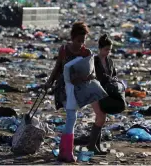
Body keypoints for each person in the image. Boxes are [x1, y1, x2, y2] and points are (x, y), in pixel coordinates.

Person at [44, 22, 105, 163]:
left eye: (83, 41)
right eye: (78, 40)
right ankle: (66, 152)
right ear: (72, 38)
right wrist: (49, 82)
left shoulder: (87, 53)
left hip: (77, 90)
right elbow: (57, 67)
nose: (81, 44)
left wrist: (85, 77)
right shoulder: (64, 50)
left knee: (72, 118)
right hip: (64, 88)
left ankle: (65, 150)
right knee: (71, 117)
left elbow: (92, 74)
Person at [87, 34, 117, 155]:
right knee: (101, 116)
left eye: (109, 50)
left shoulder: (110, 61)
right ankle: (91, 145)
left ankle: (96, 145)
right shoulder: (94, 60)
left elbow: (114, 75)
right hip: (94, 90)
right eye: (106, 50)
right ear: (100, 48)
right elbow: (96, 76)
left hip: (106, 92)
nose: (108, 52)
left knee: (101, 117)